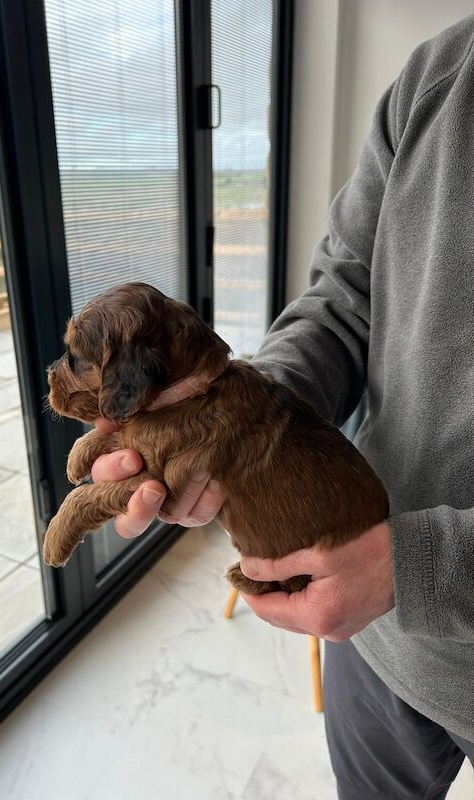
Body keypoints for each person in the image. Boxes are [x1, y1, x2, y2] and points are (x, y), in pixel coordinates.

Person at [90, 14, 474, 799]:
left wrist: (423, 567)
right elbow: (344, 298)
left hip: (391, 582)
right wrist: (240, 419)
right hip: (374, 632)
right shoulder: (442, 73)